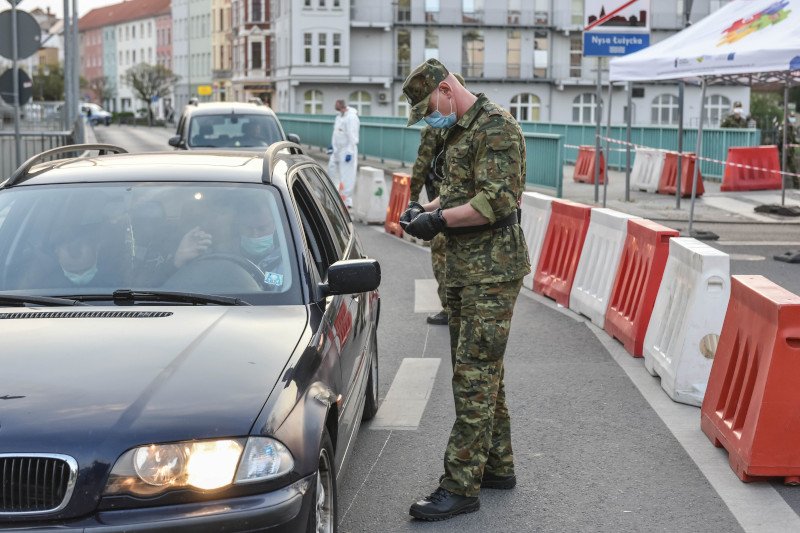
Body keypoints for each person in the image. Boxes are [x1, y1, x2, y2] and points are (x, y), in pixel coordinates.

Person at [399, 59, 530, 521]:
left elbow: (495, 200)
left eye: (429, 107)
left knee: (473, 375)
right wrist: (424, 209)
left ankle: (460, 486)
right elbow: (457, 191)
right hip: (465, 267)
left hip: (491, 269)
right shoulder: (458, 128)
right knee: (480, 370)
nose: (429, 118)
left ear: (445, 90)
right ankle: (497, 465)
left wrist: (438, 220)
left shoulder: (496, 127)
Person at [409, 73, 465, 326]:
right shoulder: (468, 127)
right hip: (456, 204)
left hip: (442, 204)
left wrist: (413, 200)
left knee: (441, 254)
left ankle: (450, 308)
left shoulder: (434, 128)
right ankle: (461, 306)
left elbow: (422, 165)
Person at [328, 99, 360, 208]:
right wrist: (332, 146)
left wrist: (350, 152)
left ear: (340, 105)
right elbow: (336, 133)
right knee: (332, 171)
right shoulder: (339, 117)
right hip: (337, 150)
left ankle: (347, 200)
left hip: (347, 150)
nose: (334, 106)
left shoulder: (351, 117)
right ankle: (335, 196)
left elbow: (352, 135)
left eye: (336, 104)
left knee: (347, 175)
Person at [778, 111, 800, 187]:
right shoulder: (784, 127)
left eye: (793, 117)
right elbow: (782, 139)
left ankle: (797, 185)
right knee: (782, 168)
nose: (793, 119)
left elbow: (793, 140)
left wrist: (797, 143)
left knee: (793, 168)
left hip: (790, 152)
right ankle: (779, 184)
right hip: (784, 152)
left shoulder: (791, 127)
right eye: (791, 117)